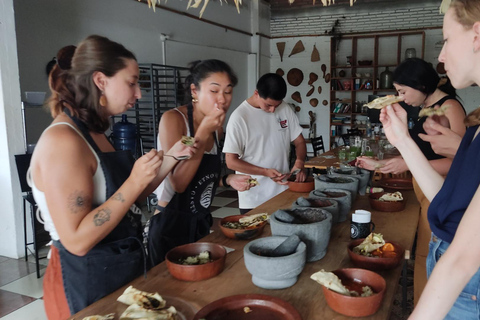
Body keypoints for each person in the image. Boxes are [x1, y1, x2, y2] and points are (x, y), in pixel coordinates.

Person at [29, 35, 195, 319]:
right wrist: (133, 181)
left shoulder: (94, 133)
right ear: (100, 80)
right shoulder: (63, 141)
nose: (139, 93)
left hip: (116, 267)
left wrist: (170, 159)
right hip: (83, 279)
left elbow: (128, 198)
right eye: (132, 82)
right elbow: (77, 241)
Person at [380, 1, 480, 318]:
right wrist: (402, 142)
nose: (440, 56)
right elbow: (449, 204)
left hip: (467, 289)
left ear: (477, 36)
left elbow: (465, 256)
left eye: (447, 39)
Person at [360, 58, 466, 306]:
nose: (401, 97)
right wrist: (381, 164)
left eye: (403, 91)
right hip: (426, 188)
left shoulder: (449, 107)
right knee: (422, 252)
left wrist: (406, 164)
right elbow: (424, 155)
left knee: (429, 254)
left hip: (442, 192)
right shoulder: (426, 108)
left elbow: (461, 164)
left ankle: (428, 307)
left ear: (421, 84)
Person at [147, 59, 253, 266]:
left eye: (228, 91)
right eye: (214, 91)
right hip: (170, 222)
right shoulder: (174, 120)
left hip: (200, 221)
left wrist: (227, 180)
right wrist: (202, 132)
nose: (222, 99)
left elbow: (202, 176)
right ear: (194, 91)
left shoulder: (217, 128)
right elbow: (178, 182)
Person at [223, 73, 307, 214]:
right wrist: (264, 172)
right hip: (254, 197)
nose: (273, 110)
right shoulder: (239, 118)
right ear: (256, 93)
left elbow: (299, 141)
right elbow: (231, 162)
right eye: (268, 105)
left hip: (283, 192)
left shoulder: (285, 108)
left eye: (277, 105)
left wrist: (299, 162)